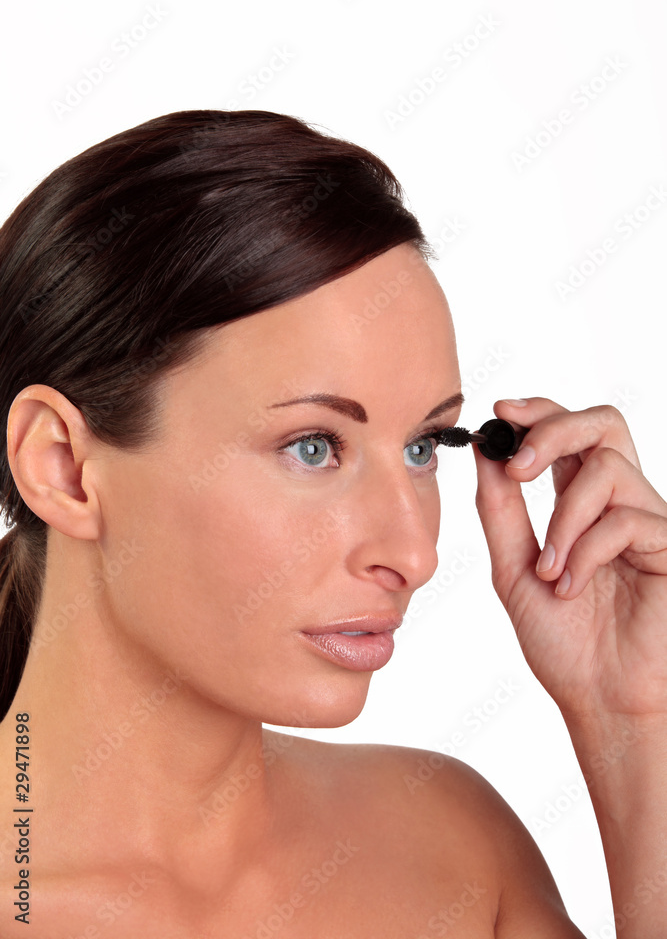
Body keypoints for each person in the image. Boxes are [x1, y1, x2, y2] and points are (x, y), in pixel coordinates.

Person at [0, 109, 664, 938]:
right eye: (312, 447)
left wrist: (634, 720)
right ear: (61, 466)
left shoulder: (453, 851)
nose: (414, 555)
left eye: (422, 446)